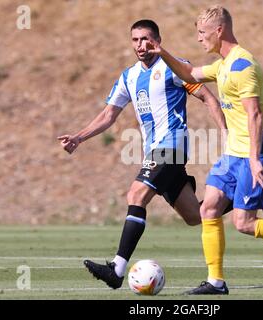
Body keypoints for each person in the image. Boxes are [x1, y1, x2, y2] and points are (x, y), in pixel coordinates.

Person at [147, 5, 263, 294]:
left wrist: (256, 161)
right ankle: (216, 282)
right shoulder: (222, 65)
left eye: (203, 33)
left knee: (244, 223)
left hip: (254, 155)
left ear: (219, 31)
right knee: (208, 209)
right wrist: (162, 52)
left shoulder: (243, 65)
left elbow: (254, 115)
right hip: (234, 153)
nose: (199, 39)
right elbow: (190, 73)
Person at [58, 19, 228, 290]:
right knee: (196, 215)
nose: (141, 45)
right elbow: (108, 114)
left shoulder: (173, 67)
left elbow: (208, 97)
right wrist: (79, 137)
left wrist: (226, 134)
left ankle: (117, 268)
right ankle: (242, 198)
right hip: (155, 150)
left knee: (136, 195)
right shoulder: (129, 76)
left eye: (146, 39)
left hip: (171, 146)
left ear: (158, 40)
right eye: (136, 40)